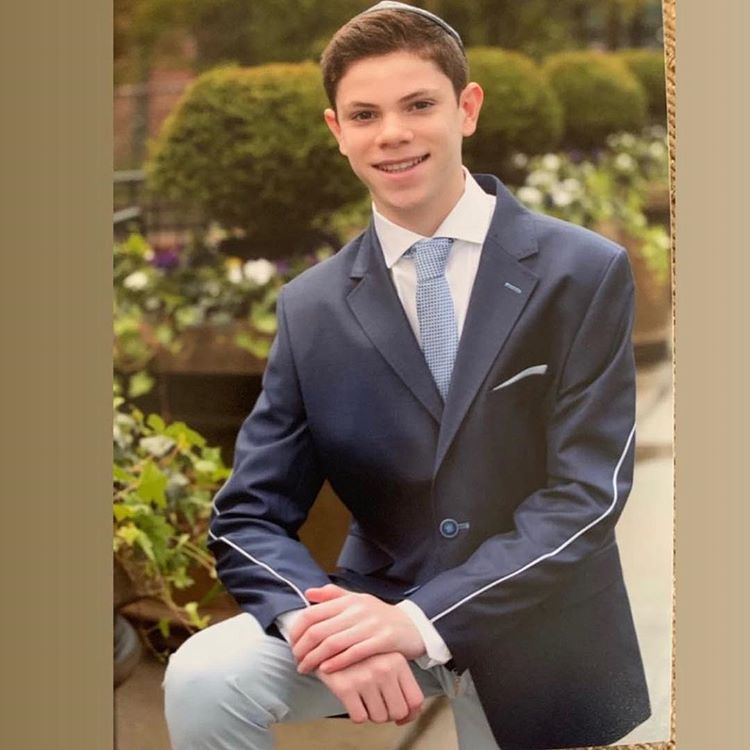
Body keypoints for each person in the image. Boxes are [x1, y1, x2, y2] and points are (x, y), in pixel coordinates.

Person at [163, 3, 651, 749]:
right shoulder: (311, 307)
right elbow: (248, 515)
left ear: (468, 108)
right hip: (375, 602)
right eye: (365, 115)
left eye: (419, 104)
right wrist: (320, 626)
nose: (392, 133)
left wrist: (419, 623)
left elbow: (588, 495)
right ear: (337, 131)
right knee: (203, 677)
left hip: (541, 627)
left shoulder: (582, 271)